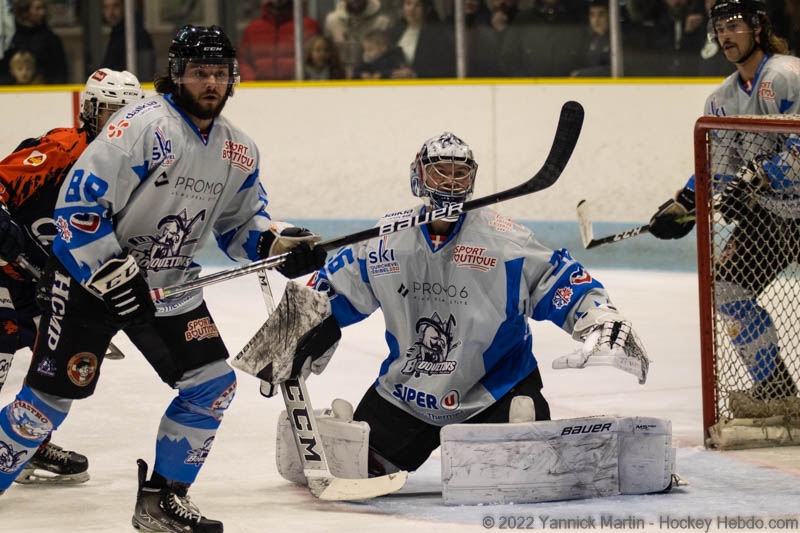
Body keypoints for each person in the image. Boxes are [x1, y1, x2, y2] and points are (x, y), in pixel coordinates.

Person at [0, 24, 327, 533]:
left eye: (219, 73)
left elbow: (242, 227)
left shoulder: (238, 150)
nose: (210, 83)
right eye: (199, 72)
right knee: (46, 402)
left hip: (169, 287)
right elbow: (78, 208)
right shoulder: (141, 126)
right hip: (88, 282)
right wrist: (110, 269)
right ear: (175, 74)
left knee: (211, 385)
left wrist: (278, 246)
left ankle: (161, 500)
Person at [292, 131, 649, 477]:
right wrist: (296, 330)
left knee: (523, 470)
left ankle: (515, 428)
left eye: (459, 173)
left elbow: (558, 279)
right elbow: (331, 288)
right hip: (407, 393)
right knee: (354, 469)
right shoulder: (385, 241)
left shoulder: (505, 241)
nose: (450, 182)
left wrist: (600, 318)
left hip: (495, 390)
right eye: (439, 171)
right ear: (418, 177)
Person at [648, 0, 800, 401]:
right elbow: (718, 167)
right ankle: (776, 389)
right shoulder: (721, 100)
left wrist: (761, 177)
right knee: (727, 289)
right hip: (773, 215)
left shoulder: (788, 75)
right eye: (720, 28)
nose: (725, 35)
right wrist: (683, 205)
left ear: (758, 28)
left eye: (734, 25)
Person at [0, 67, 143, 486]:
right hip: (5, 270)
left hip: (48, 280)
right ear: (91, 112)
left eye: (129, 116)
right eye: (112, 114)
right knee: (3, 342)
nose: (120, 125)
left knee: (55, 362)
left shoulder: (136, 169)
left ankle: (25, 444)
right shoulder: (63, 148)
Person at [237, 0, 321, 80]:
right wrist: (253, 83)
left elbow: (319, 61)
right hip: (260, 89)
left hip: (299, 89)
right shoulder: (252, 29)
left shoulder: (308, 26)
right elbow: (243, 62)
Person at [324, 0, 393, 78]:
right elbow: (326, 55)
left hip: (371, 79)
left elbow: (389, 57)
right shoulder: (332, 21)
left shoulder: (382, 22)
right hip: (340, 78)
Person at [2, 0, 67, 84]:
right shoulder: (9, 39)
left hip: (44, 91)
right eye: (37, 8)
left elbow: (60, 75)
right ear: (24, 11)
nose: (42, 13)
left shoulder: (51, 40)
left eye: (43, 8)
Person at [389, 0, 455, 79]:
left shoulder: (439, 36)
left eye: (418, 5)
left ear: (427, 10)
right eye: (408, 4)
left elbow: (446, 69)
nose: (411, 9)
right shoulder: (393, 32)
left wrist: (415, 75)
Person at [97, 0, 155, 82]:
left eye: (116, 6)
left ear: (125, 7)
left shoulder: (136, 34)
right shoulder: (116, 34)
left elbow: (144, 75)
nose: (111, 13)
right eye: (106, 7)